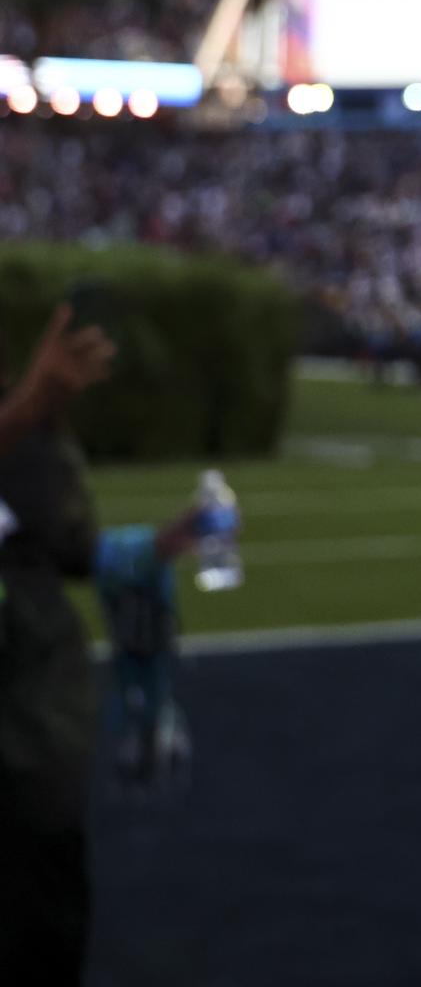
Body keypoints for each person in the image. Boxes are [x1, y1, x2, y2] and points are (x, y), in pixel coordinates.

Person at [0, 304, 116, 983]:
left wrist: (43, 417)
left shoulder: (28, 430)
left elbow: (77, 548)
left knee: (41, 927)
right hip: (30, 729)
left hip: (31, 724)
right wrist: (31, 411)